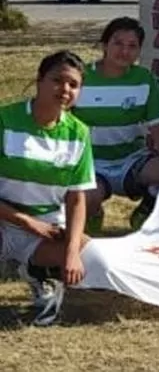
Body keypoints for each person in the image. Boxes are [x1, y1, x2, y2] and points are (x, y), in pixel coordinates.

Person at [0, 51, 94, 326]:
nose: (65, 89)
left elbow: (77, 199)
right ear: (39, 81)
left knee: (96, 259)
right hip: (6, 221)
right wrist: (26, 222)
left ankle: (37, 274)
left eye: (73, 85)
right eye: (57, 80)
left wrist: (72, 252)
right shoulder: (5, 120)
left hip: (47, 230)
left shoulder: (79, 133)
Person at [72, 18, 159, 233]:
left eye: (132, 46)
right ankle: (93, 212)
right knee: (86, 196)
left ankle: (148, 208)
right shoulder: (80, 78)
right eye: (118, 43)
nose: (124, 51)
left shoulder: (144, 79)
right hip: (92, 163)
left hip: (131, 159)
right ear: (105, 45)